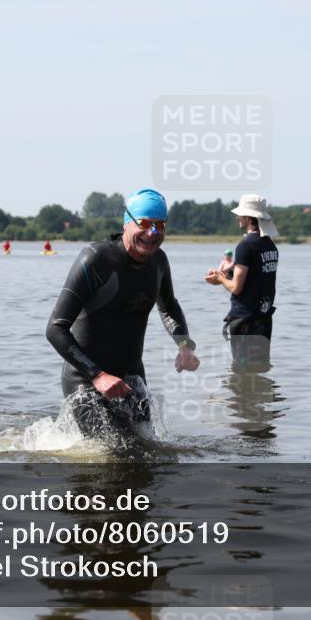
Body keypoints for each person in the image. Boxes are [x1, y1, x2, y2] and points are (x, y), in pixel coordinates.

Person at [46, 188, 200, 438]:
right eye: (145, 223)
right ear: (127, 223)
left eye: (160, 225)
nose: (152, 233)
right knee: (114, 458)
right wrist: (98, 376)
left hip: (132, 378)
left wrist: (184, 346)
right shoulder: (96, 259)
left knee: (145, 449)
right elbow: (55, 328)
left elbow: (169, 305)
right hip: (85, 379)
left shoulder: (159, 262)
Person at [205, 194, 279, 365]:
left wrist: (220, 279)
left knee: (242, 373)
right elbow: (255, 276)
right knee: (260, 368)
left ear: (247, 217)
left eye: (239, 214)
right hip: (264, 319)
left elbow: (237, 287)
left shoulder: (245, 246)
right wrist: (222, 276)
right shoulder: (270, 245)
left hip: (246, 321)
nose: (236, 217)